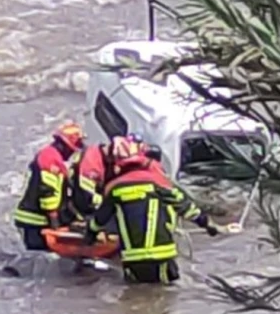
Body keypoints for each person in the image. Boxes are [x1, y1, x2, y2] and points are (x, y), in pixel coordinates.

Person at [83, 136, 221, 284]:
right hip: (162, 257)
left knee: (134, 298)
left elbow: (99, 219)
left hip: (133, 260)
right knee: (164, 298)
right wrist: (209, 225)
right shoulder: (160, 184)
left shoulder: (114, 189)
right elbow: (187, 208)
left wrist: (90, 235)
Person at [12, 121, 85, 251]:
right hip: (34, 220)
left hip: (37, 219)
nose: (71, 154)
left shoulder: (51, 156)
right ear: (65, 145)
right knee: (39, 258)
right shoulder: (50, 159)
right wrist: (55, 224)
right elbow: (48, 193)